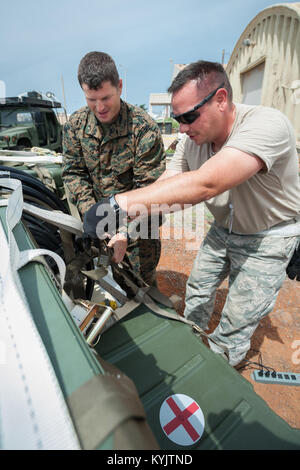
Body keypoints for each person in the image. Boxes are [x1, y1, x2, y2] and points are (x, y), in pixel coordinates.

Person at [84, 60, 300, 366]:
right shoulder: (191, 141)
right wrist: (122, 225)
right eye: (177, 120)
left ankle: (219, 369)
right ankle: (192, 339)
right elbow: (167, 187)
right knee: (198, 289)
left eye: (188, 117)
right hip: (225, 228)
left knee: (237, 318)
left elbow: (206, 183)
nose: (182, 129)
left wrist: (116, 203)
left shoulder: (267, 125)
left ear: (221, 99)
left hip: (267, 237)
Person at [62, 51, 165, 294]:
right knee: (108, 291)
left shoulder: (143, 129)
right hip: (101, 230)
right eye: (91, 99)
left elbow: (151, 193)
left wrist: (123, 233)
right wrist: (93, 214)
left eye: (106, 97)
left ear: (119, 86)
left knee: (142, 294)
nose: (99, 107)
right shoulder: (75, 126)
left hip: (140, 237)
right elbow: (74, 173)